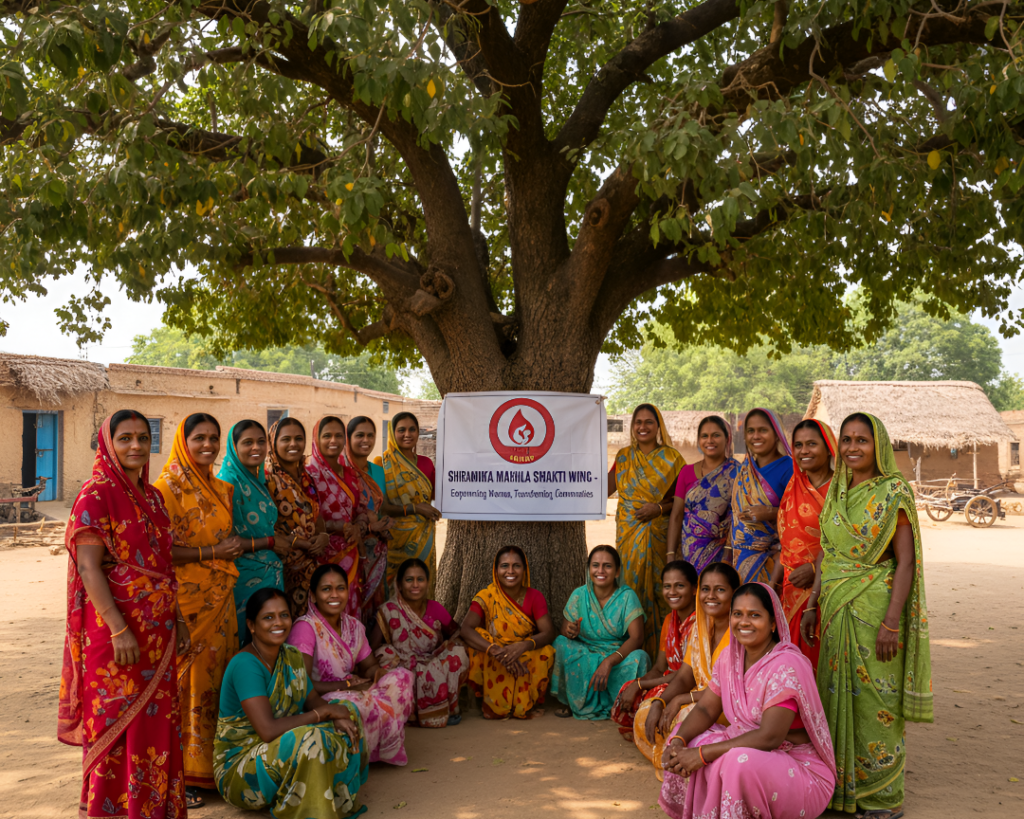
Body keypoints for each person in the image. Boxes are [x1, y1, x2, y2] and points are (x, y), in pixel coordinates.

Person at [800, 413, 933, 819]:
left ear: (878, 444)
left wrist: (893, 621)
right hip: (835, 607)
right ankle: (840, 789)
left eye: (862, 440)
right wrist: (812, 602)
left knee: (878, 698)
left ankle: (882, 797)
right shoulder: (838, 489)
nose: (853, 448)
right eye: (847, 440)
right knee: (836, 696)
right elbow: (827, 550)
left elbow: (906, 562)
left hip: (875, 609)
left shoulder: (894, 491)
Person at [60, 411, 190, 819]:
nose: (135, 446)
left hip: (160, 634)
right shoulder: (95, 494)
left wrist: (180, 620)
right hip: (118, 635)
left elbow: (164, 566)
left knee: (157, 724)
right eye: (125, 438)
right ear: (107, 444)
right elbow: (88, 568)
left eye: (143, 437)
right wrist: (119, 629)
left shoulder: (153, 496)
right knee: (117, 726)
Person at [659, 583, 837, 819]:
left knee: (735, 760)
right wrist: (680, 741)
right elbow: (705, 708)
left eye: (755, 615)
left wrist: (702, 755)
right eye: (737, 614)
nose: (744, 622)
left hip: (800, 769)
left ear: (773, 623)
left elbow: (769, 736)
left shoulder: (786, 665)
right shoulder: (729, 658)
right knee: (686, 735)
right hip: (750, 751)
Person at [214, 588, 368, 819]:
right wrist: (322, 714)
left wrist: (334, 714)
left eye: (284, 615)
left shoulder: (291, 656)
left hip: (279, 747)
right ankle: (310, 810)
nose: (278, 622)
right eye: (268, 617)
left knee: (349, 712)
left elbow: (313, 701)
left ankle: (330, 796)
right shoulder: (245, 665)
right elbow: (268, 731)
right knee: (313, 739)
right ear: (252, 625)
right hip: (241, 770)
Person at [155, 413, 244, 804]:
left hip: (221, 602)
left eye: (213, 438)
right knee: (186, 687)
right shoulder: (165, 489)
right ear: (182, 441)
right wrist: (213, 551)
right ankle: (184, 777)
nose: (208, 445)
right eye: (199, 438)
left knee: (218, 681)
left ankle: (215, 768)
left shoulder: (222, 489)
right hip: (188, 605)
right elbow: (161, 553)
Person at [288, 564, 415, 765]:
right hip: (319, 699)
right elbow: (302, 684)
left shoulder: (353, 626)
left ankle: (386, 747)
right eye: (326, 589)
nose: (334, 595)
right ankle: (363, 753)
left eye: (340, 588)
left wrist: (382, 674)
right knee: (358, 703)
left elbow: (368, 667)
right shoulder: (305, 628)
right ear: (312, 595)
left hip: (351, 688)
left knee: (402, 677)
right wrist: (349, 686)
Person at [640, 563, 740, 779]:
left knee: (683, 714)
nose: (710, 596)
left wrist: (683, 699)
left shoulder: (741, 632)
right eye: (706, 589)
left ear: (734, 593)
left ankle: (691, 760)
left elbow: (732, 690)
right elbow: (685, 675)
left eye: (720, 590)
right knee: (647, 711)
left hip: (728, 708)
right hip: (701, 698)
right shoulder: (700, 627)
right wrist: (661, 702)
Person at [608, 403, 685, 657]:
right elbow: (601, 490)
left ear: (658, 426)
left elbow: (683, 499)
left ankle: (663, 657)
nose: (642, 427)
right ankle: (631, 657)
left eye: (648, 422)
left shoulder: (672, 459)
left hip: (661, 538)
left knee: (664, 594)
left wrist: (659, 510)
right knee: (629, 591)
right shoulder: (623, 457)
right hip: (629, 538)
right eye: (638, 422)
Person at [551, 545, 650, 720]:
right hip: (585, 654)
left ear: (617, 571)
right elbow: (564, 630)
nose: (601, 571)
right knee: (560, 643)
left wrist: (608, 662)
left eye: (608, 566)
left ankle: (624, 705)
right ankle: (570, 701)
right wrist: (570, 630)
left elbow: (637, 638)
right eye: (595, 565)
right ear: (589, 569)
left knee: (640, 657)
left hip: (616, 657)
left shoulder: (627, 597)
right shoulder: (579, 594)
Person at [370, 557, 469, 727]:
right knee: (384, 653)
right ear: (399, 585)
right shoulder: (388, 611)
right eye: (409, 580)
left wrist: (442, 651)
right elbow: (372, 649)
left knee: (458, 651)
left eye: (420, 579)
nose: (415, 585)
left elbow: (456, 634)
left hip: (433, 662)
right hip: (404, 666)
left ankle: (447, 707)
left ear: (427, 583)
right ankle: (409, 711)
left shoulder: (436, 608)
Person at [460, 546, 557, 719]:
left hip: (523, 651)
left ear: (524, 569)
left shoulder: (534, 596)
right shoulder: (487, 595)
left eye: (516, 566)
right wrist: (495, 651)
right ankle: (495, 705)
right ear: (496, 570)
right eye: (504, 566)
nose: (510, 571)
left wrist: (524, 645)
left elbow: (549, 632)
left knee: (545, 652)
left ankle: (523, 704)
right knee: (478, 639)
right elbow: (465, 628)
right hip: (494, 652)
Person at [772, 419, 835, 667]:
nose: (803, 451)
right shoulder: (793, 486)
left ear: (828, 447)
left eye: (812, 444)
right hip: (789, 590)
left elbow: (849, 546)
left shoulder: (843, 489)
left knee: (819, 661)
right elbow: (786, 544)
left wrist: (814, 570)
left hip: (826, 591)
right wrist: (774, 583)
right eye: (798, 445)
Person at [611, 560, 699, 740]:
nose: (672, 592)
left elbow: (685, 676)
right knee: (629, 691)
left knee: (654, 701)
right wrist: (637, 685)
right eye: (667, 586)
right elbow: (659, 667)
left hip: (691, 685)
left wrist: (642, 685)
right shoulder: (669, 620)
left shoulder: (699, 624)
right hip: (669, 679)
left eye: (679, 586)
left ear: (694, 589)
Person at [218, 420, 289, 638]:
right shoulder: (227, 483)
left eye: (261, 442)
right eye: (248, 442)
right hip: (244, 579)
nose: (256, 448)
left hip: (269, 576)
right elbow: (229, 543)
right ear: (234, 447)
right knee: (250, 641)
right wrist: (271, 543)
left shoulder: (257, 479)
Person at [265, 417, 333, 618]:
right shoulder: (268, 478)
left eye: (298, 438)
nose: (293, 444)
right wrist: (300, 543)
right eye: (286, 439)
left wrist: (324, 536)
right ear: (274, 443)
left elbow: (316, 513)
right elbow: (268, 527)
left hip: (313, 563)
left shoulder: (306, 477)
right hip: (286, 567)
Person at [373, 412, 441, 589]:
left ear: (418, 433)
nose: (407, 434)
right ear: (392, 433)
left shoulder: (426, 463)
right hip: (394, 539)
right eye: (401, 430)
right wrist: (415, 509)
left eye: (412, 430)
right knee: (394, 587)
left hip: (423, 540)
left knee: (421, 586)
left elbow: (435, 495)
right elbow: (383, 508)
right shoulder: (382, 463)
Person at [305, 416, 364, 617]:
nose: (333, 441)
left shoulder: (352, 474)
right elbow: (307, 519)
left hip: (352, 553)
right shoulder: (307, 475)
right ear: (316, 438)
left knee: (351, 608)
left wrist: (359, 526)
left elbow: (361, 510)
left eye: (339, 435)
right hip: (322, 557)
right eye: (327, 435)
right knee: (326, 611)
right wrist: (338, 526)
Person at [666, 416, 740, 575]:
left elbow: (738, 516)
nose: (710, 440)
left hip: (724, 553)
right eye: (704, 436)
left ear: (727, 439)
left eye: (716, 435)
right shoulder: (686, 472)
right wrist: (670, 554)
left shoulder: (737, 473)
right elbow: (677, 514)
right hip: (690, 552)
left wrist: (728, 551)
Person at [731, 409, 794, 584]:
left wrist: (770, 512)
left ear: (776, 434)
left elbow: (799, 514)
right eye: (751, 431)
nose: (756, 436)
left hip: (772, 562)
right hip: (739, 556)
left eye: (763, 430)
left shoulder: (789, 467)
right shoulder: (745, 468)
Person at [344, 416, 394, 623]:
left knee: (375, 608)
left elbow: (381, 508)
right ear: (348, 438)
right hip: (350, 549)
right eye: (360, 435)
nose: (366, 440)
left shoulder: (378, 472)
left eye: (370, 435)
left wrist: (384, 523)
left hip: (377, 551)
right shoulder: (341, 472)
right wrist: (370, 525)